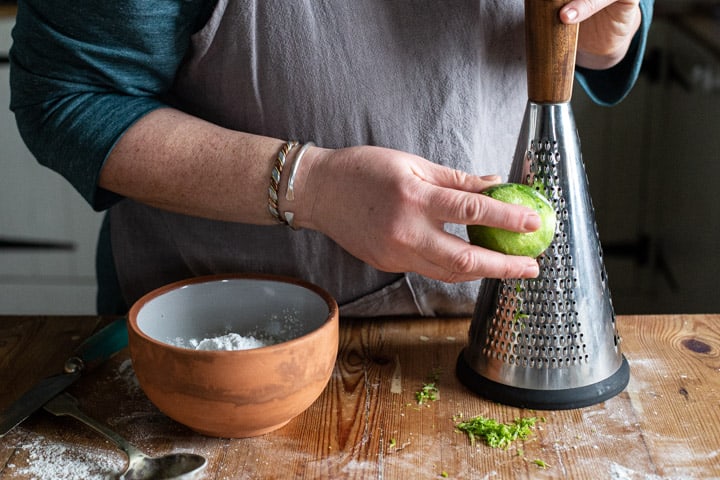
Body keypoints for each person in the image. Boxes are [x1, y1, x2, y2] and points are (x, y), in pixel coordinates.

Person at [9, 0, 653, 317]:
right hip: (219, 343)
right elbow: (68, 95)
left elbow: (600, 34)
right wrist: (311, 186)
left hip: (490, 324)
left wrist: (609, 26)